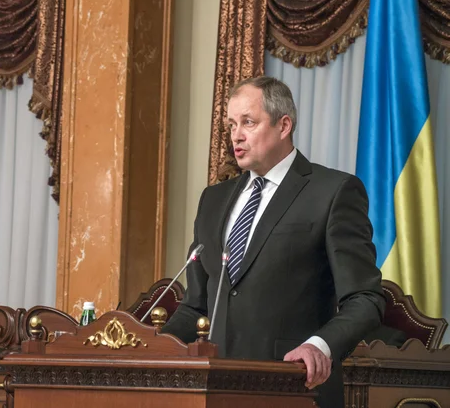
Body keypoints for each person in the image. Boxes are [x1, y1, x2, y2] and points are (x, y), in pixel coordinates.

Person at [161, 76, 386, 408]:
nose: (236, 135)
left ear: (284, 126)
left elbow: (365, 298)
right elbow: (196, 305)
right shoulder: (213, 200)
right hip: (214, 389)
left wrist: (319, 345)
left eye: (248, 123)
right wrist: (152, 346)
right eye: (232, 124)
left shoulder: (333, 192)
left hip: (292, 386)